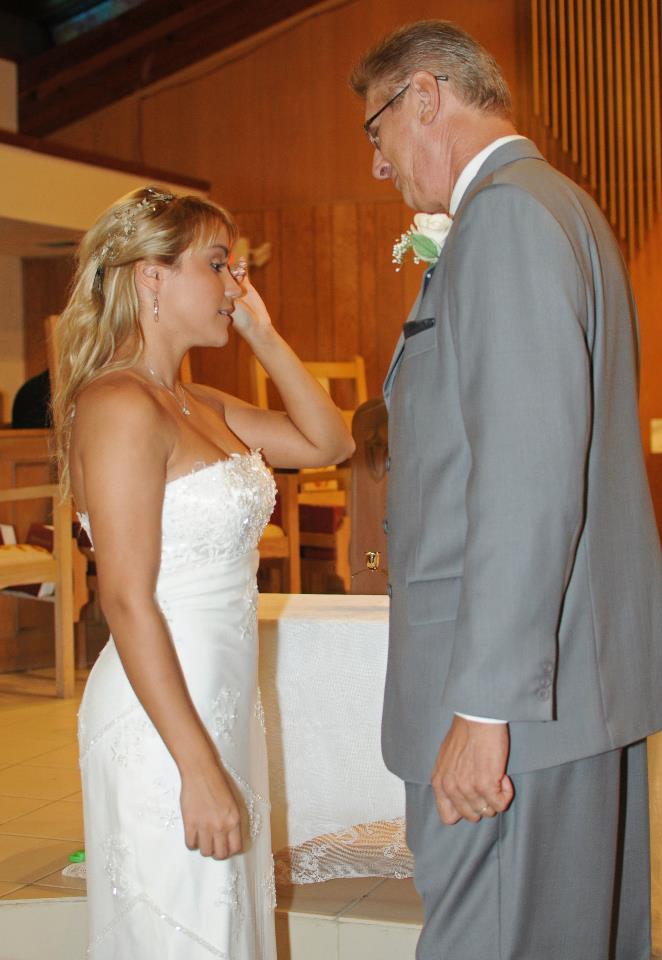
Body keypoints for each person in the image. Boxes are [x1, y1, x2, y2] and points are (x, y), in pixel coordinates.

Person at [350, 20, 662, 960]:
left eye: (375, 130)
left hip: (516, 709)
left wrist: (484, 711)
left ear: (425, 96)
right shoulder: (562, 206)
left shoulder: (509, 217)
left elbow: (528, 478)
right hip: (566, 692)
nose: (377, 164)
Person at [51, 185, 354, 959]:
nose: (235, 283)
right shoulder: (119, 404)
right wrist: (197, 766)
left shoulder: (197, 403)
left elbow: (330, 443)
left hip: (220, 706)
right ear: (152, 276)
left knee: (227, 927)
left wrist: (264, 335)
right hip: (163, 720)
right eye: (218, 265)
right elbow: (125, 598)